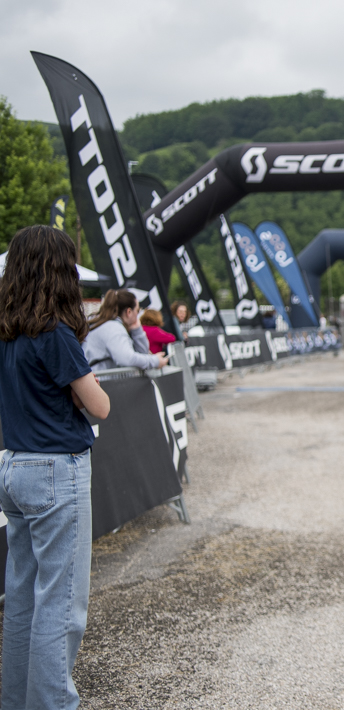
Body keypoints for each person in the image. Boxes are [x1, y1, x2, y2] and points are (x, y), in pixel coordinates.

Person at [0, 225, 111, 709]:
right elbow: (100, 406)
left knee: (22, 599)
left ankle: (15, 700)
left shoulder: (6, 331)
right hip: (55, 471)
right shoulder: (56, 333)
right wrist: (86, 386)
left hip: (14, 466)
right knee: (61, 603)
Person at [83, 289, 168, 372]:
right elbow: (128, 359)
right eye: (137, 310)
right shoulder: (114, 328)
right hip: (104, 380)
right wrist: (155, 361)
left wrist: (137, 329)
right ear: (129, 312)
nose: (138, 315)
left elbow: (143, 353)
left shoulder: (107, 325)